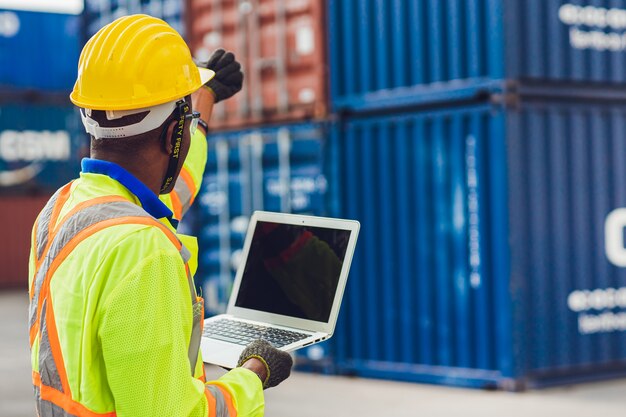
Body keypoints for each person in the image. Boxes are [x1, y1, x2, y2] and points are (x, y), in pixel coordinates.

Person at [28, 14, 292, 417]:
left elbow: (174, 186)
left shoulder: (63, 210)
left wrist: (204, 100)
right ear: (173, 135)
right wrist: (254, 372)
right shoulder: (144, 251)